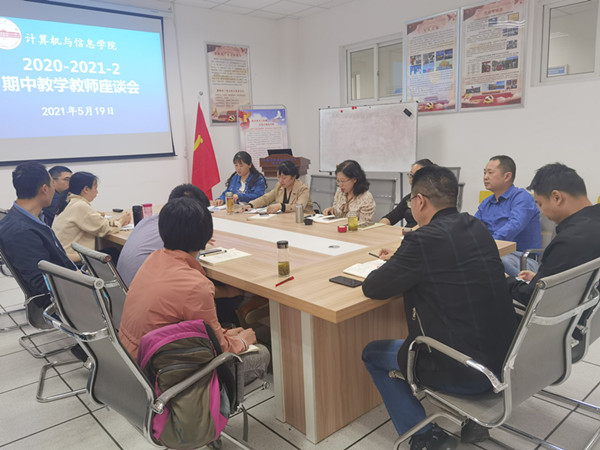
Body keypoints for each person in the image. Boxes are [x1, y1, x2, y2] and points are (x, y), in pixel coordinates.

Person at [361, 166, 518, 449]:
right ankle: (472, 420)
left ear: (420, 201)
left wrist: (396, 261)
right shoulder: (477, 227)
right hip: (507, 361)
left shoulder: (422, 240)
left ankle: (423, 437)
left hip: (469, 373)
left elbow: (373, 288)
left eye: (411, 201)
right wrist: (403, 258)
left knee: (372, 354)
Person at [119, 197, 270, 385]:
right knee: (262, 353)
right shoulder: (196, 285)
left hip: (130, 366)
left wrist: (224, 334)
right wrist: (242, 342)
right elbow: (221, 349)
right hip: (159, 376)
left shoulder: (152, 260)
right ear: (207, 235)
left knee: (230, 330)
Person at [116, 184, 243, 325]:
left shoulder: (148, 223)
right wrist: (225, 292)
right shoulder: (182, 248)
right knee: (221, 296)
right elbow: (191, 287)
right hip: (158, 320)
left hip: (125, 309)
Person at [507, 163, 600, 305]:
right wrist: (542, 278)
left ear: (557, 197)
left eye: (540, 204)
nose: (542, 211)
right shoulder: (591, 227)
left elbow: (532, 297)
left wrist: (504, 280)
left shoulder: (568, 241)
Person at [0, 162, 77, 298]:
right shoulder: (21, 231)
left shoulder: (28, 218)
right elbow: (41, 284)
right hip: (68, 297)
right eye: (52, 184)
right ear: (45, 189)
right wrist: (82, 279)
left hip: (70, 281)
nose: (54, 189)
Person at [475, 155, 541, 277]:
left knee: (489, 261)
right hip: (491, 253)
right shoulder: (486, 202)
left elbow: (514, 226)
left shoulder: (522, 198)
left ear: (507, 176)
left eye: (490, 173)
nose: (485, 177)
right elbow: (474, 227)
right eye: (484, 173)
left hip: (522, 259)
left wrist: (487, 244)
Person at [52, 171, 131, 264]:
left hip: (64, 256)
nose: (97, 192)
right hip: (74, 260)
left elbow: (97, 220)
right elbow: (105, 228)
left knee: (111, 250)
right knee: (114, 253)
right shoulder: (80, 205)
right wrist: (121, 221)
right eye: (95, 188)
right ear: (86, 189)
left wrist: (118, 220)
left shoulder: (69, 201)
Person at [244, 160, 313, 214]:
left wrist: (281, 206)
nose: (280, 181)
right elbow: (266, 198)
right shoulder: (279, 186)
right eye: (278, 177)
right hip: (285, 219)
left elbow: (299, 207)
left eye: (284, 178)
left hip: (303, 220)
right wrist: (251, 205)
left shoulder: (303, 189)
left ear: (293, 177)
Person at [380, 159, 434, 227]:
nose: (412, 180)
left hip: (422, 232)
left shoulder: (434, 199)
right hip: (406, 232)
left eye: (416, 176)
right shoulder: (409, 197)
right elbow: (391, 217)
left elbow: (427, 223)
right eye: (411, 175)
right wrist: (380, 225)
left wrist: (412, 231)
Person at [323, 160, 375, 224]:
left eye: (343, 181)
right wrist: (331, 210)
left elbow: (364, 224)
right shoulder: (339, 192)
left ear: (354, 179)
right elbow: (337, 214)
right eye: (338, 181)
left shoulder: (366, 198)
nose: (340, 185)